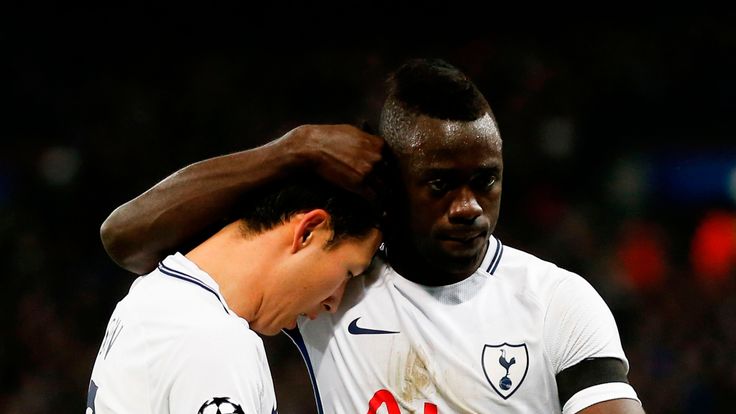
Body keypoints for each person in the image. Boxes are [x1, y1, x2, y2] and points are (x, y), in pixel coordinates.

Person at [99, 58, 644, 413]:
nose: (468, 207)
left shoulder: (556, 301)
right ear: (394, 189)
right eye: (439, 184)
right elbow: (128, 239)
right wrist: (291, 150)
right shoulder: (335, 285)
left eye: (487, 181)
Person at [87, 176, 382, 413]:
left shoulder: (150, 294)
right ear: (308, 230)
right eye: (348, 273)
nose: (334, 302)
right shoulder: (215, 340)